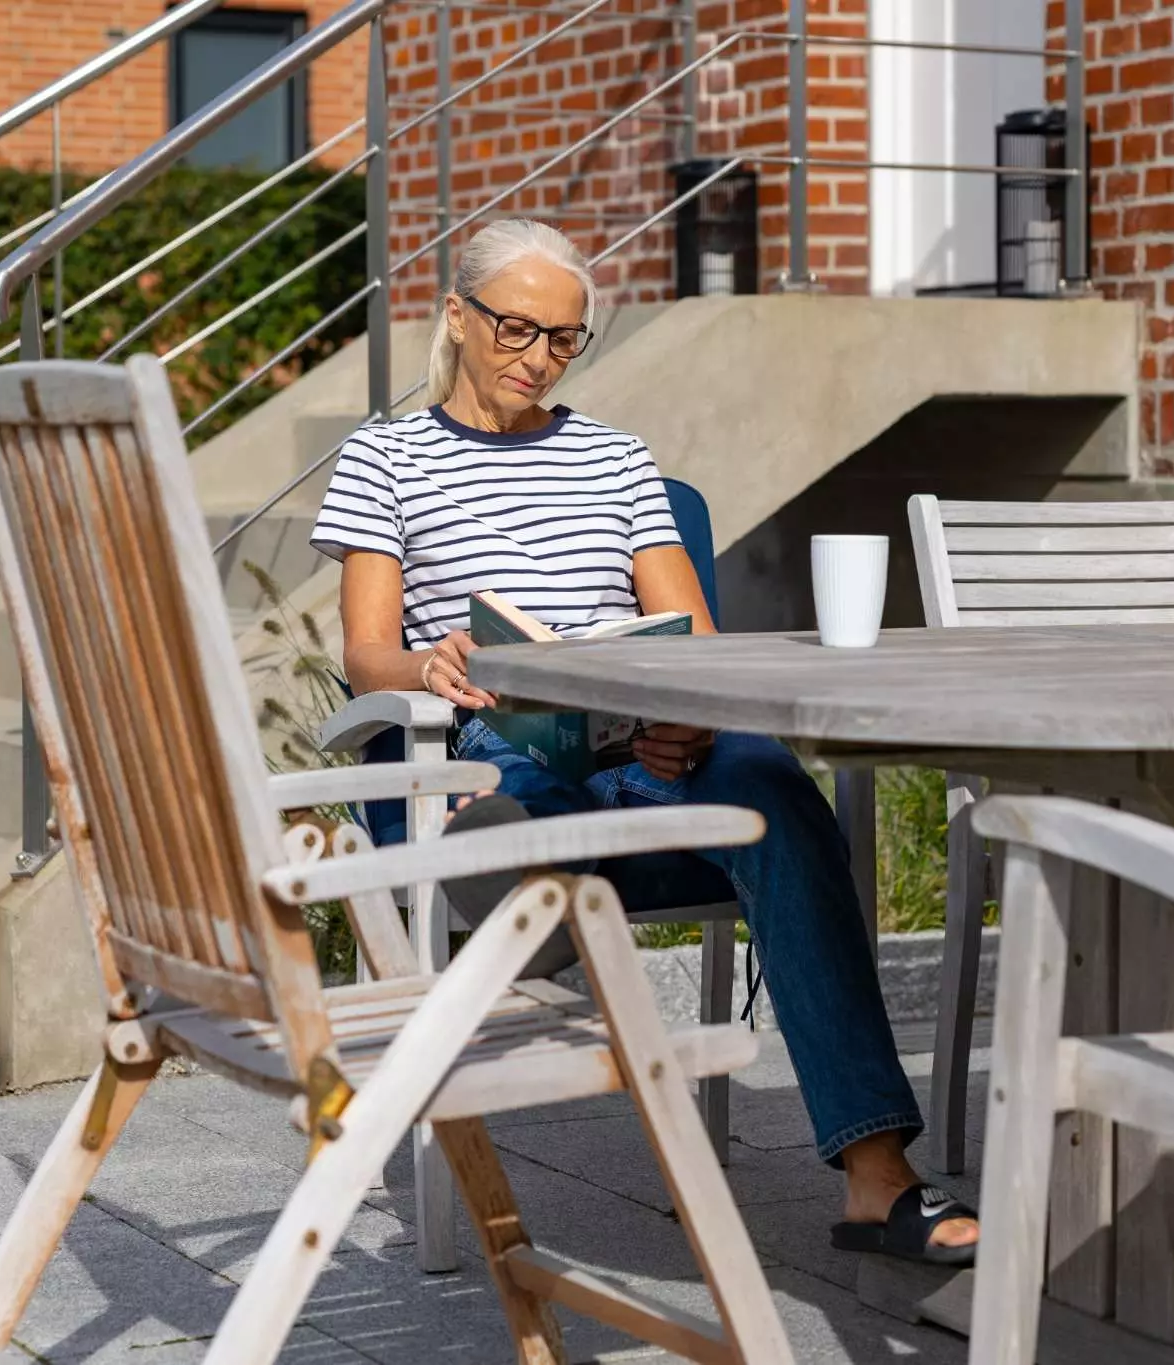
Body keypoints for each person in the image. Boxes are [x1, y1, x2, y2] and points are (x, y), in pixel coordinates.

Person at [311, 219, 977, 1266]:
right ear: (456, 317)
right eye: (515, 328)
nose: (536, 357)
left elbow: (691, 642)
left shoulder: (617, 460)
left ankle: (875, 1182)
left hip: (639, 745)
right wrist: (428, 663)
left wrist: (685, 713)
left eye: (563, 338)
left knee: (769, 789)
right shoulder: (384, 458)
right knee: (539, 815)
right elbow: (364, 657)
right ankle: (496, 1013)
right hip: (484, 742)